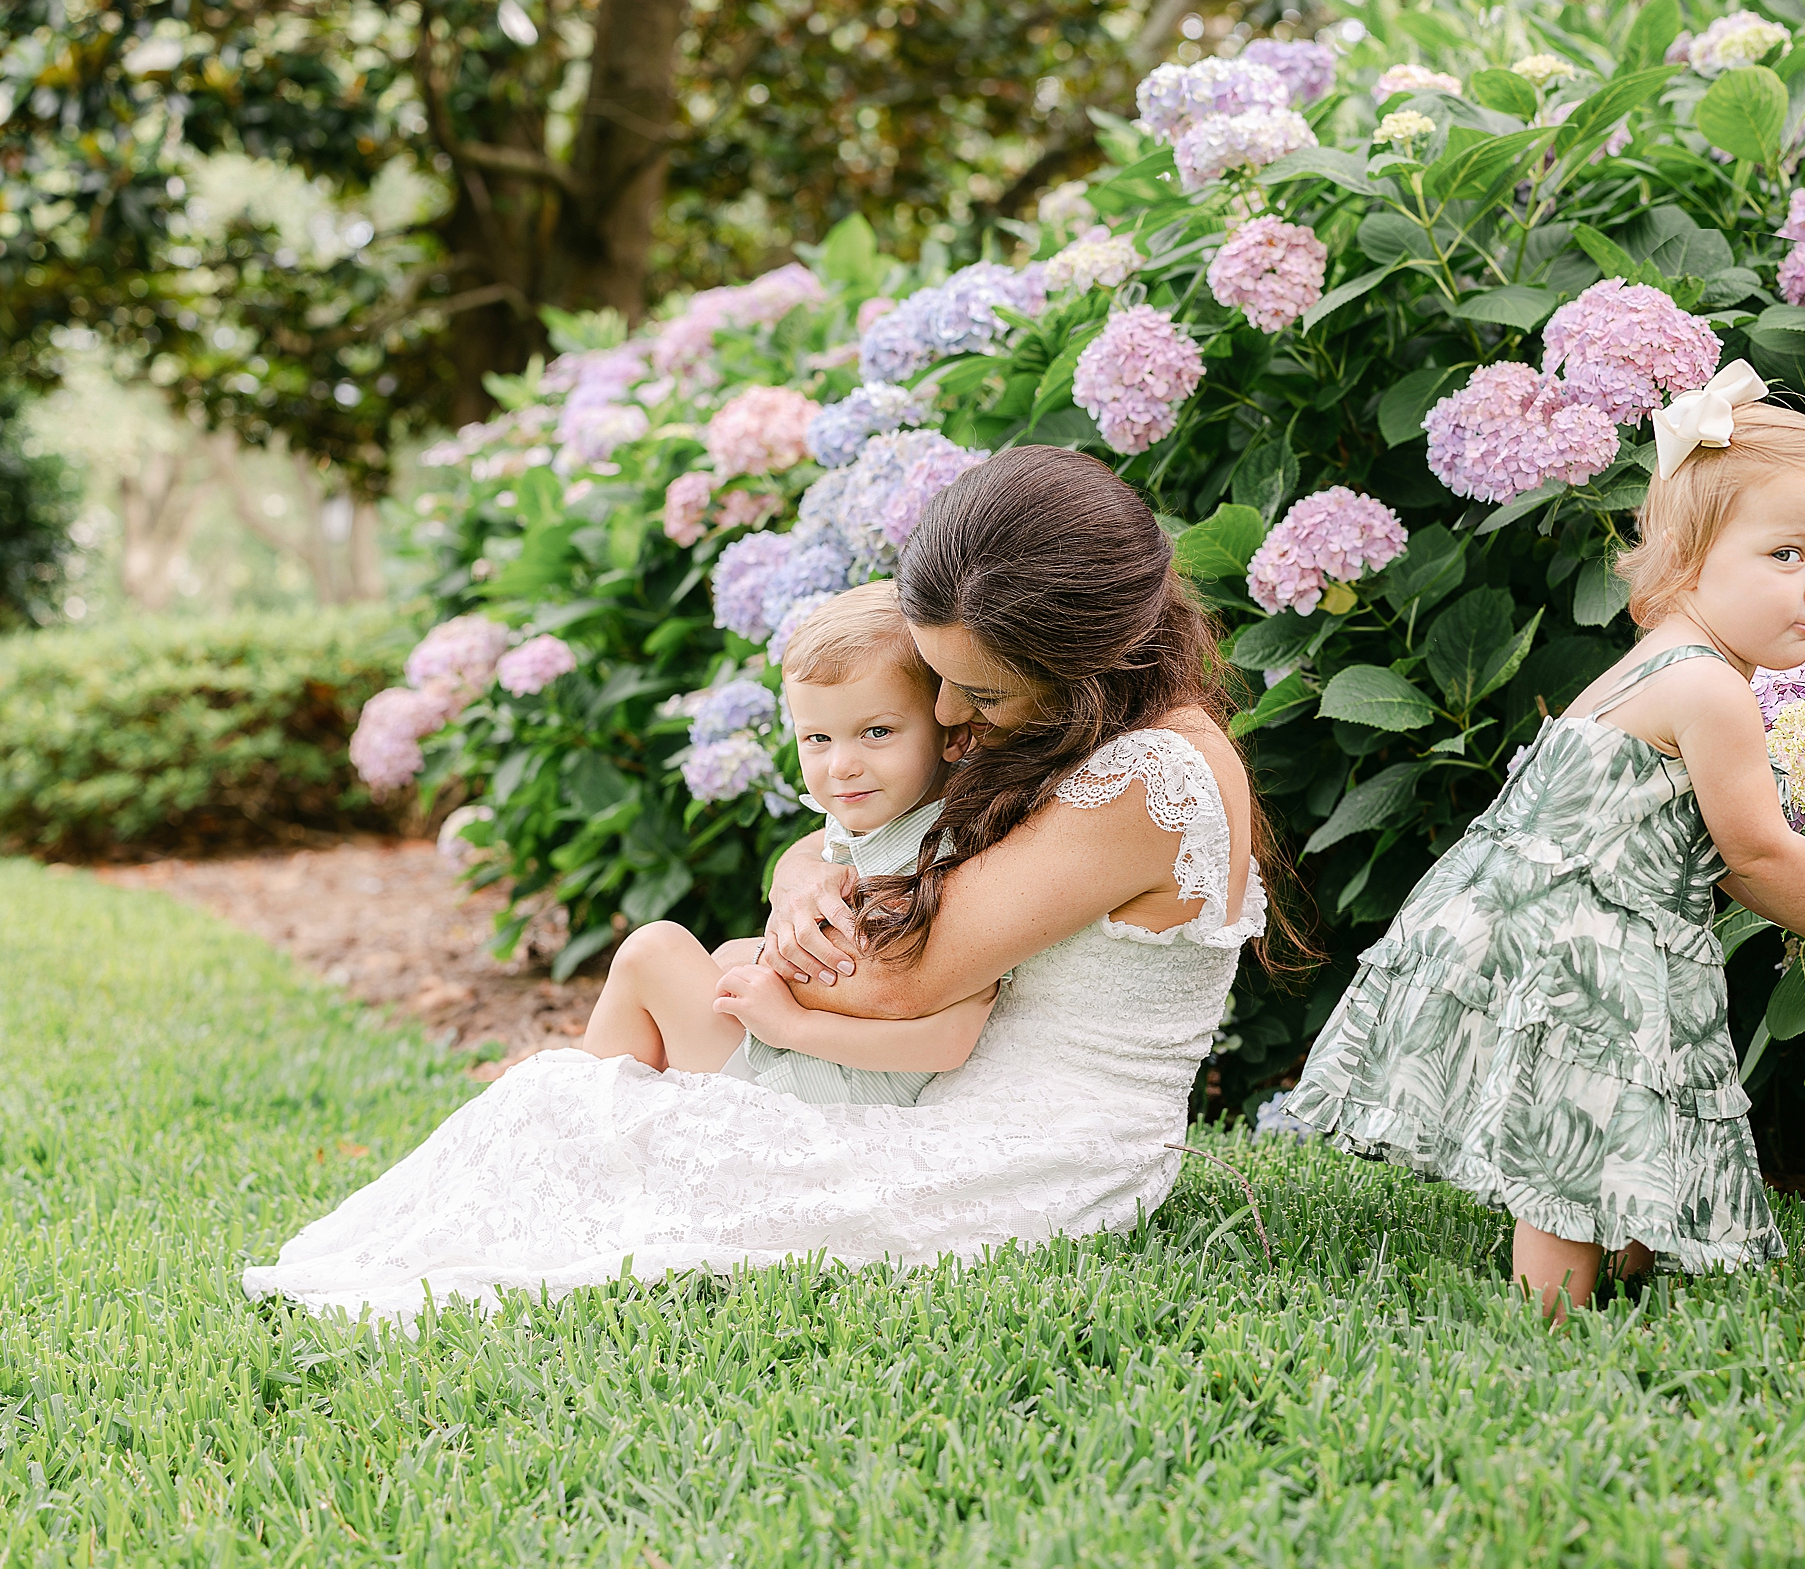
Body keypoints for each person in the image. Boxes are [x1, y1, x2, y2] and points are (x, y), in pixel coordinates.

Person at [242, 446, 1273, 1320]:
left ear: (1086, 654)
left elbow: (903, 981)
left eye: (980, 688)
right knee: (588, 1109)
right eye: (938, 672)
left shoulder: (1154, 776)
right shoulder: (1086, 723)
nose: (950, 712)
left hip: (1039, 1149)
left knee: (602, 1123)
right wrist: (796, 880)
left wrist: (750, 965)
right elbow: (878, 851)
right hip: (927, 1088)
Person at [1284, 362, 1805, 1317]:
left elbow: (1704, 848)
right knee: (1580, 1118)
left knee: (1617, 1094)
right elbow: (1757, 852)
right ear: (1689, 554)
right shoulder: (1712, 688)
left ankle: (1629, 1259)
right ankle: (1549, 1306)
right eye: (1787, 555)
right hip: (1586, 933)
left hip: (1547, 908)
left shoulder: (1668, 655)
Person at [574, 580, 979, 1107]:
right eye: (818, 738)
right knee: (718, 961)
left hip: (824, 1092)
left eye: (877, 732)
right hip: (799, 1066)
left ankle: (585, 1130)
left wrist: (791, 1026)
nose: (842, 765)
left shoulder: (949, 859)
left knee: (652, 951)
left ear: (952, 733)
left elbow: (952, 1038)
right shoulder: (870, 822)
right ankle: (622, 1127)